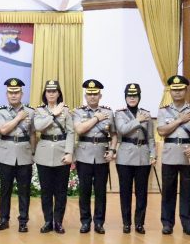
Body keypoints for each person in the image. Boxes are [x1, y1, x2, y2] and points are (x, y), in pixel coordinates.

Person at [73, 79, 117, 234]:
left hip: (101, 155)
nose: (92, 97)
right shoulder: (78, 112)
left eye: (95, 94)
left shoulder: (109, 112)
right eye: (89, 94)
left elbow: (114, 134)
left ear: (100, 96)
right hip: (84, 155)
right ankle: (85, 222)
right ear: (85, 96)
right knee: (84, 191)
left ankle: (99, 222)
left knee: (100, 192)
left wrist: (112, 150)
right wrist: (97, 118)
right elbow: (80, 129)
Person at [0, 78, 35, 232]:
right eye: (11, 92)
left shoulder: (31, 111)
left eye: (16, 92)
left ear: (21, 94)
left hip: (24, 154)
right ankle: (4, 219)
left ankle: (23, 221)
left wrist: (33, 153)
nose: (13, 95)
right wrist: (18, 118)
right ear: (6, 94)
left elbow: (32, 134)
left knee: (24, 191)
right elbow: (3, 130)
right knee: (5, 190)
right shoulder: (0, 111)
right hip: (6, 154)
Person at [33, 80, 74, 234]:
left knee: (60, 191)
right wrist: (53, 114)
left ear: (58, 93)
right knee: (46, 191)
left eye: (54, 91)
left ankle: (58, 221)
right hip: (44, 153)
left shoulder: (66, 110)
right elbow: (38, 127)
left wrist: (69, 152)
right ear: (45, 94)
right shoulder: (39, 110)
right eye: (48, 91)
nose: (51, 94)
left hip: (62, 152)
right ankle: (48, 221)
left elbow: (71, 132)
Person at [114, 83, 155, 234]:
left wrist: (153, 154)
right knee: (125, 192)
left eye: (135, 95)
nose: (132, 98)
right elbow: (122, 129)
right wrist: (137, 120)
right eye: (129, 95)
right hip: (125, 157)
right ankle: (126, 223)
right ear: (125, 97)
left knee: (141, 192)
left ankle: (139, 223)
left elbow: (150, 137)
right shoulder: (120, 114)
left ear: (139, 97)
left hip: (143, 156)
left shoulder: (146, 114)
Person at [156, 74, 190, 235]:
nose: (177, 92)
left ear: (186, 90)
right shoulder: (164, 111)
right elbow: (162, 131)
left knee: (187, 192)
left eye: (180, 89)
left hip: (187, 155)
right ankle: (167, 223)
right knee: (168, 191)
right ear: (170, 91)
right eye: (174, 89)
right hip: (169, 155)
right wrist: (179, 120)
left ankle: (187, 223)